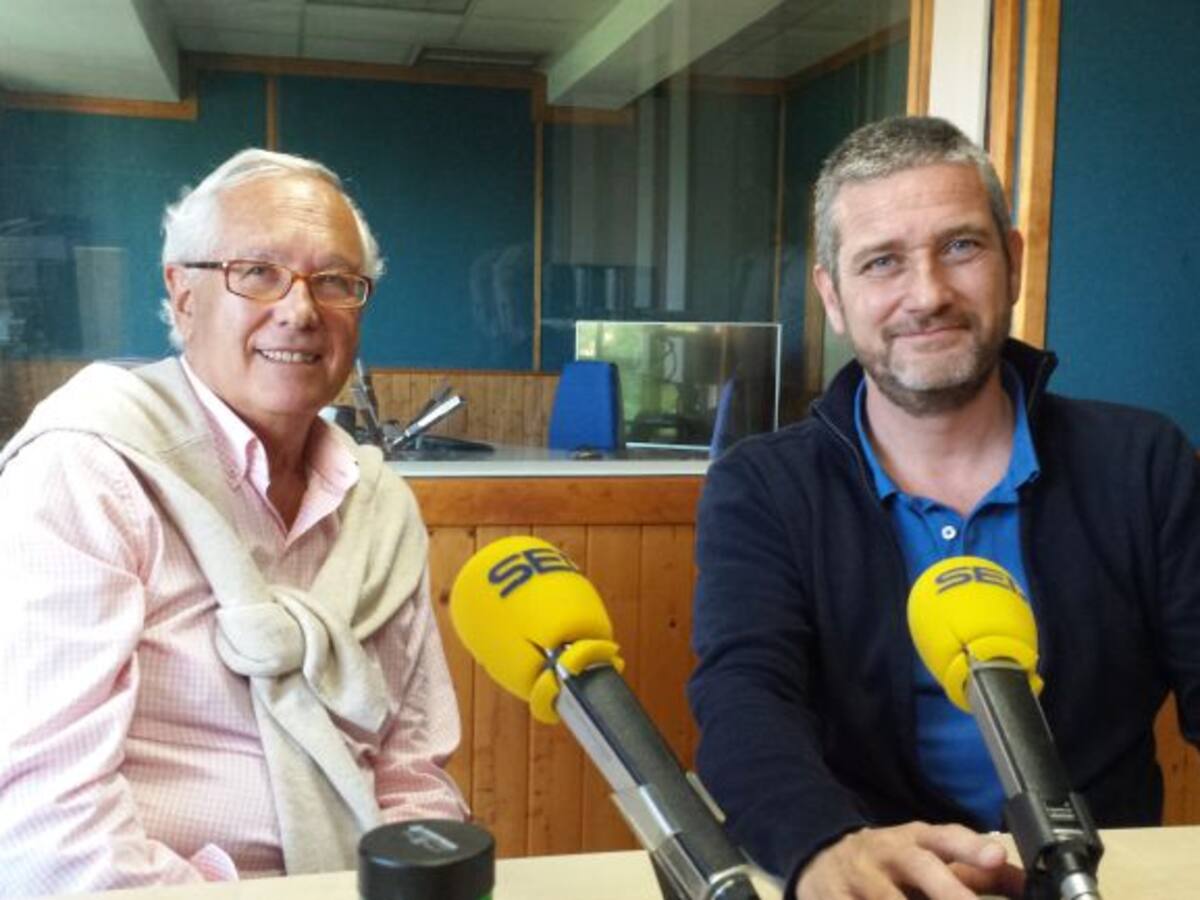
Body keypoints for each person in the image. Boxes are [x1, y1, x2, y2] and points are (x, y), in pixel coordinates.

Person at [688, 116, 1200, 899]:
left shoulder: (1143, 462)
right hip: (872, 882)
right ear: (833, 296)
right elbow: (744, 699)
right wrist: (823, 847)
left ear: (1014, 262)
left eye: (961, 246)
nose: (927, 295)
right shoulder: (763, 487)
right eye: (882, 262)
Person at [0, 149, 467, 895]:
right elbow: (43, 828)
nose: (301, 310)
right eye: (257, 272)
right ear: (182, 294)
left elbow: (412, 778)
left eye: (334, 281)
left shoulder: (379, 507)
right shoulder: (85, 473)